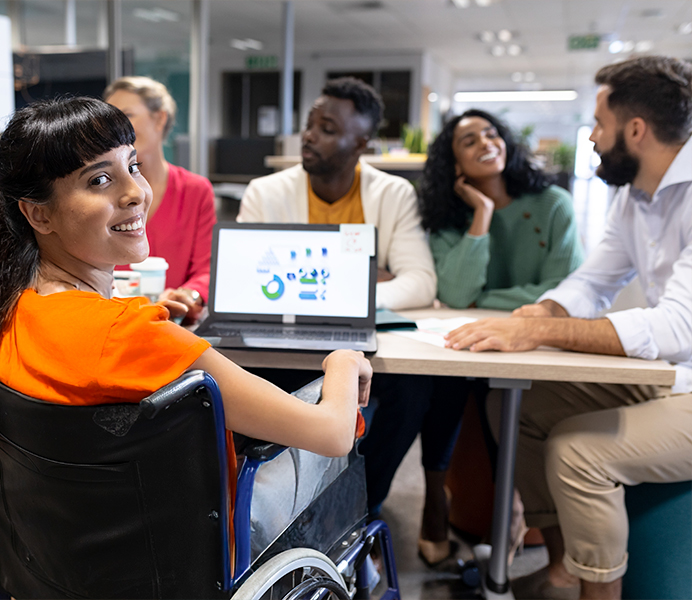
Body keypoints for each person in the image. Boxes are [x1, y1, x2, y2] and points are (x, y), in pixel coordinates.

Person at [0, 97, 373, 558]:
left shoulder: (5, 311)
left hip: (74, 549)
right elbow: (331, 434)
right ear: (38, 214)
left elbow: (92, 350)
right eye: (100, 179)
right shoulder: (130, 335)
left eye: (133, 165)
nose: (136, 192)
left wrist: (143, 318)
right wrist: (344, 361)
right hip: (181, 551)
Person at [445, 55, 692, 600]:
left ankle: (597, 593)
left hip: (686, 376)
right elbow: (592, 281)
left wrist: (542, 334)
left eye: (599, 126)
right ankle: (561, 569)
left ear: (636, 130)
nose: (593, 140)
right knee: (519, 407)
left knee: (577, 449)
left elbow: (678, 326)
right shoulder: (637, 196)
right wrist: (544, 313)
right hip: (672, 376)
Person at [393, 110, 585, 564]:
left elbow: (564, 288)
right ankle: (436, 498)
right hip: (474, 340)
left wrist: (487, 301)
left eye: (492, 133)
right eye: (469, 140)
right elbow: (457, 293)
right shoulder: (447, 217)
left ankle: (514, 509)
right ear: (452, 162)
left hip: (539, 344)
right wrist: (480, 214)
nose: (486, 142)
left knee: (506, 400)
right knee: (443, 383)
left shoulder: (552, 203)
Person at [237, 76, 436, 310]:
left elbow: (421, 283)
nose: (308, 136)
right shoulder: (264, 193)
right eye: (309, 125)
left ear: (360, 145)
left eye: (327, 129)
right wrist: (357, 282)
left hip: (359, 329)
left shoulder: (393, 194)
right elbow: (241, 277)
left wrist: (334, 295)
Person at [104, 76, 216, 319]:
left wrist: (188, 295)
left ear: (160, 118)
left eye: (127, 115)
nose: (116, 129)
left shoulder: (195, 190)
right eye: (111, 120)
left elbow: (207, 269)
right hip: (111, 319)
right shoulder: (99, 192)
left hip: (174, 321)